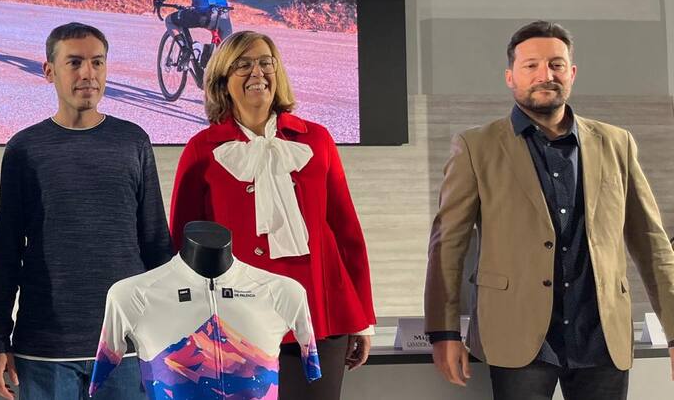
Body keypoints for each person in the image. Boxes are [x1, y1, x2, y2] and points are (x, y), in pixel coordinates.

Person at [425, 20, 674, 400]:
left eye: (557, 64)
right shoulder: (476, 147)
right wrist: (443, 333)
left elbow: (652, 243)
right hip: (516, 335)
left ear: (571, 73)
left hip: (601, 337)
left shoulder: (616, 143)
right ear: (510, 76)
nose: (546, 75)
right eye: (531, 66)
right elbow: (447, 247)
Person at [168, 30, 375, 400]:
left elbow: (347, 233)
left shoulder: (318, 140)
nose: (257, 72)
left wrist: (363, 318)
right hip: (237, 320)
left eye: (266, 62)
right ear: (222, 80)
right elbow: (183, 251)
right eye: (243, 65)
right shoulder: (202, 150)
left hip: (319, 315)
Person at [0, 22, 173, 400]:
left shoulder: (133, 141)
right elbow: (5, 253)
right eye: (74, 62)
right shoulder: (25, 150)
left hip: (127, 348)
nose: (88, 74)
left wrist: (171, 331)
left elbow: (156, 244)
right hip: (44, 350)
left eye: (97, 63)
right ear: (49, 71)